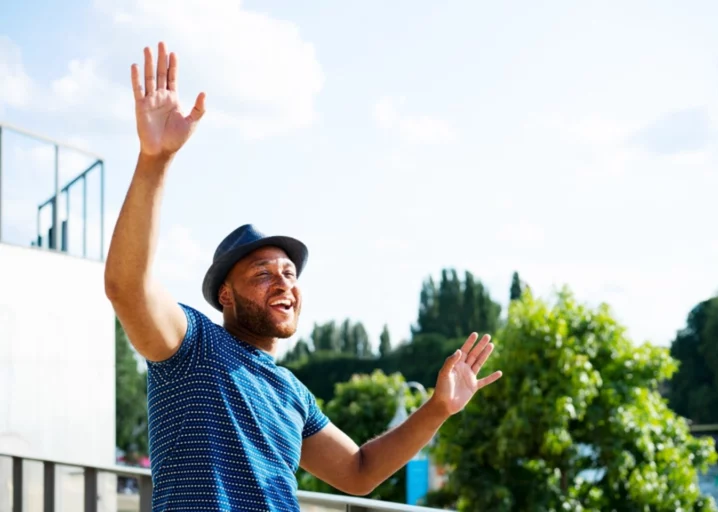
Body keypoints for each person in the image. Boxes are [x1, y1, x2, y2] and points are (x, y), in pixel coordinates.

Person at [105, 42, 503, 512]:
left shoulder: (293, 394)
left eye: (290, 273)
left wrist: (437, 408)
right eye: (263, 273)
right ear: (225, 295)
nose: (284, 283)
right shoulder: (192, 347)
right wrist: (156, 160)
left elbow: (358, 472)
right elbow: (127, 288)